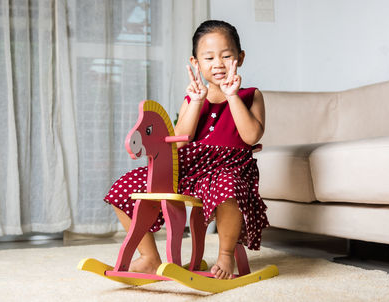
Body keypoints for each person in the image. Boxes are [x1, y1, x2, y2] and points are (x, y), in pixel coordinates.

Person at [104, 20, 269, 280]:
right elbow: (179, 142)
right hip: (188, 168)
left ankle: (225, 255)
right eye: (209, 57)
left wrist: (232, 96)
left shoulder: (251, 95)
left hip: (230, 167)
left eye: (226, 56)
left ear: (241, 57)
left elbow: (251, 136)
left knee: (228, 185)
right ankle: (149, 257)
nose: (218, 64)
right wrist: (196, 101)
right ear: (196, 62)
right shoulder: (194, 97)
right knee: (123, 187)